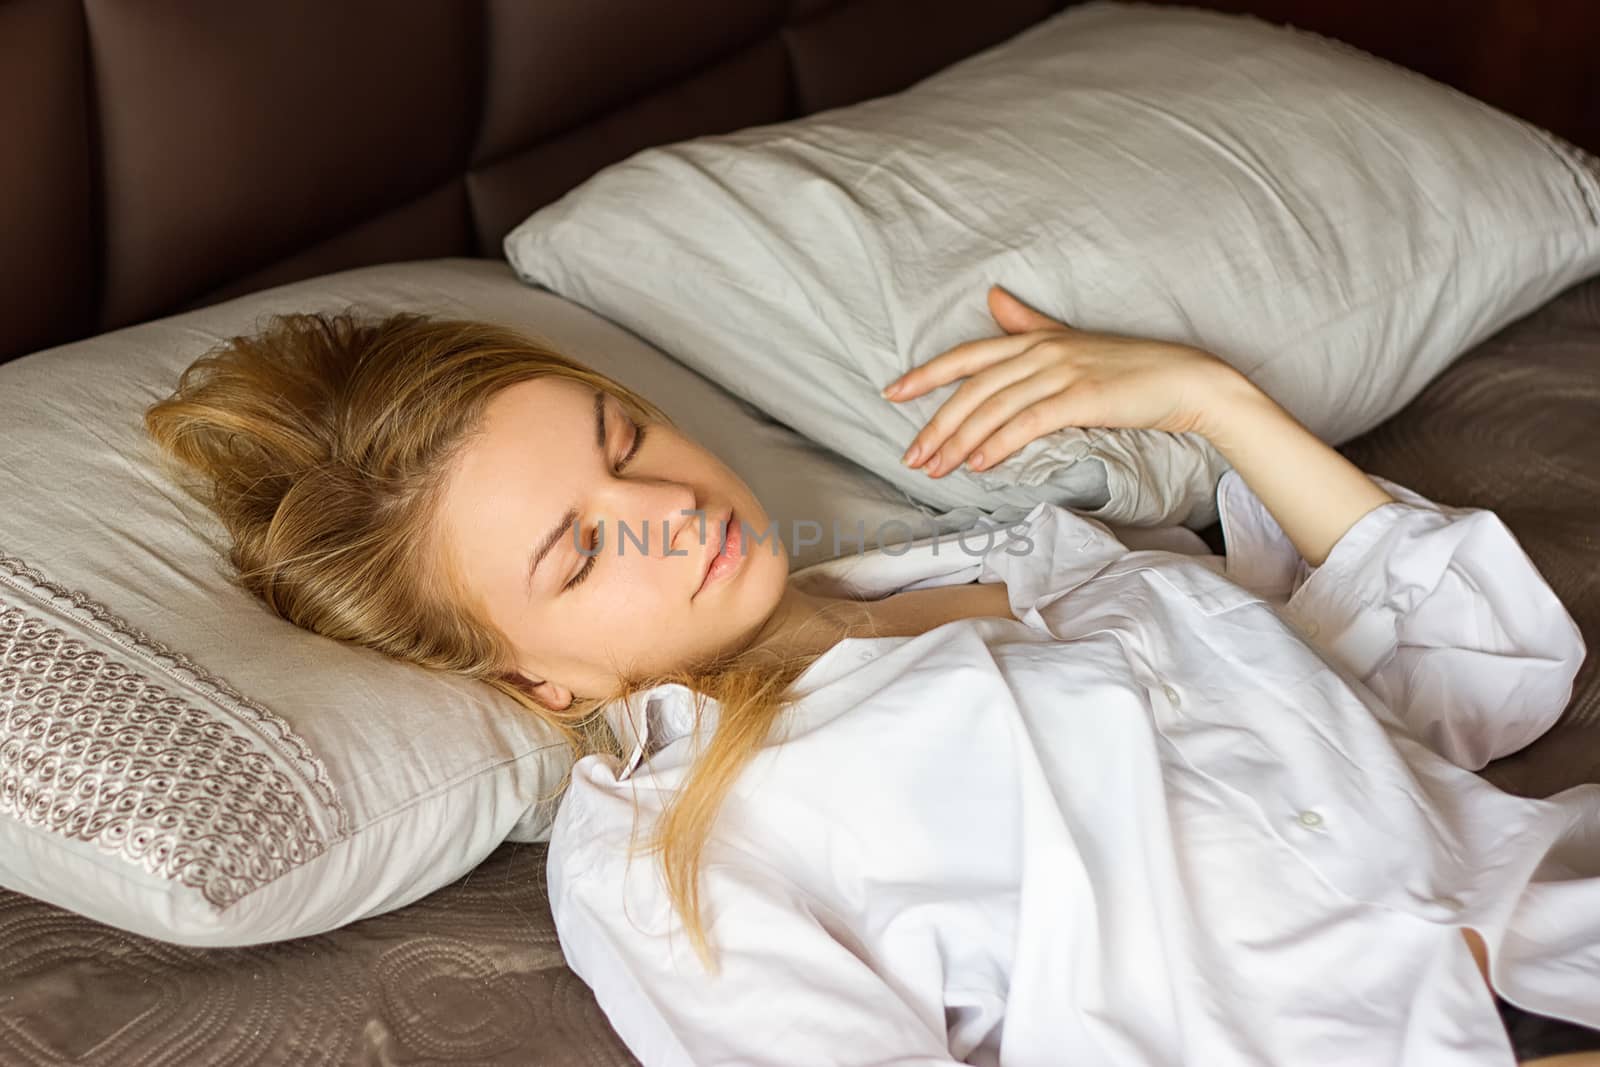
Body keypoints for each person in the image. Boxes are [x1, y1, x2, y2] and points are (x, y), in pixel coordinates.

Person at [143, 285, 1600, 1066]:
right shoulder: (674, 853)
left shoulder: (1052, 557)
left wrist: (1208, 401)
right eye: (580, 554)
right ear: (536, 683)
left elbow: (1482, 674)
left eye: (627, 439)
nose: (671, 511)